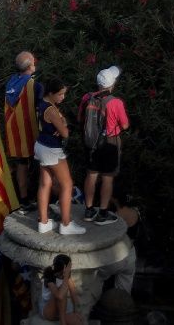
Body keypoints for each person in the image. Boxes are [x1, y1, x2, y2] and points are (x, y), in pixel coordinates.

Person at [34, 82, 85, 238]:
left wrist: (61, 122)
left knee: (45, 184)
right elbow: (65, 133)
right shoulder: (51, 109)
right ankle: (66, 224)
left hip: (40, 145)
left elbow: (60, 123)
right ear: (50, 93)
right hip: (51, 149)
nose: (63, 97)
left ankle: (43, 223)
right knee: (67, 184)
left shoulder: (42, 103)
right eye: (60, 94)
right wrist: (62, 124)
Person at [79, 66, 129, 223]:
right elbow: (125, 125)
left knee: (91, 175)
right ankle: (103, 213)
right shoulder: (116, 102)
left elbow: (80, 119)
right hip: (110, 143)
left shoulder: (86, 98)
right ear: (112, 84)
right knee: (107, 178)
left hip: (90, 142)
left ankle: (88, 210)